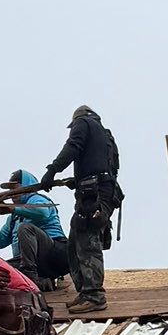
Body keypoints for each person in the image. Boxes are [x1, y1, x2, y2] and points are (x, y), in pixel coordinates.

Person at [40, 106, 122, 308]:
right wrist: (77, 180)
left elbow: (73, 146)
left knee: (87, 240)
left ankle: (94, 296)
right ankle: (85, 292)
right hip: (101, 190)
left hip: (94, 193)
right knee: (75, 241)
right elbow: (105, 167)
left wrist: (52, 170)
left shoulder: (83, 123)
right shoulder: (105, 135)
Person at [0, 171, 71, 289]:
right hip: (33, 262)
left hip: (54, 253)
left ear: (26, 185)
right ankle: (41, 282)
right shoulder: (13, 218)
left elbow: (42, 213)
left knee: (25, 228)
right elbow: (0, 242)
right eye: (10, 190)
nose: (11, 193)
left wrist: (12, 209)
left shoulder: (37, 199)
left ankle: (29, 275)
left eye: (14, 188)